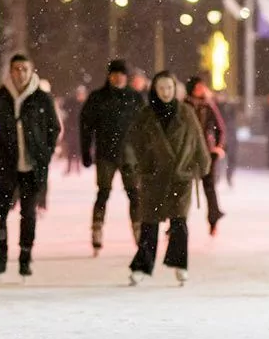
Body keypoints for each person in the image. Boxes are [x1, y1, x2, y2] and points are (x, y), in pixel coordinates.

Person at [0, 53, 61, 278]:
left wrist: (45, 153)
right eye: (16, 69)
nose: (21, 73)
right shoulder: (0, 98)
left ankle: (25, 257)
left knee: (29, 214)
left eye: (25, 69)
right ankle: (0, 257)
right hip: (6, 166)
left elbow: (54, 128)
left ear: (31, 71)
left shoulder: (42, 98)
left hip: (33, 168)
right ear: (11, 71)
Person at [125, 71, 211, 285]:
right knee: (149, 224)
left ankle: (180, 263)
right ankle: (142, 266)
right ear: (155, 89)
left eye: (169, 88)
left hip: (180, 176)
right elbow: (132, 143)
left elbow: (197, 140)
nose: (165, 92)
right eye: (161, 88)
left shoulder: (186, 113)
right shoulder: (145, 115)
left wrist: (203, 163)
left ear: (175, 89)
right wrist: (134, 165)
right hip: (153, 177)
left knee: (179, 222)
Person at [79, 58, 145, 253]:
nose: (118, 78)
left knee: (134, 194)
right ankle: (97, 229)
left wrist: (146, 151)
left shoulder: (135, 98)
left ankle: (138, 229)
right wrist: (86, 150)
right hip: (106, 153)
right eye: (115, 74)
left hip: (130, 155)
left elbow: (146, 127)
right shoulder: (98, 98)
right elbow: (86, 126)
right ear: (109, 76)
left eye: (122, 74)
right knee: (103, 192)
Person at [187, 80, 226, 234]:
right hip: (187, 152)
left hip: (206, 152)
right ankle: (176, 223)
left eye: (202, 87)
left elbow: (220, 128)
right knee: (182, 188)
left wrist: (218, 147)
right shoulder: (184, 106)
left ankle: (213, 219)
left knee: (209, 187)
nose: (200, 90)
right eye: (197, 87)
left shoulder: (208, 106)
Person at [59, 85, 87, 174]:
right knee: (70, 150)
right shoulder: (72, 103)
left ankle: (78, 168)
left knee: (78, 150)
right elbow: (64, 109)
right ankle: (69, 168)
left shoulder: (85, 105)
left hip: (80, 131)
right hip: (71, 130)